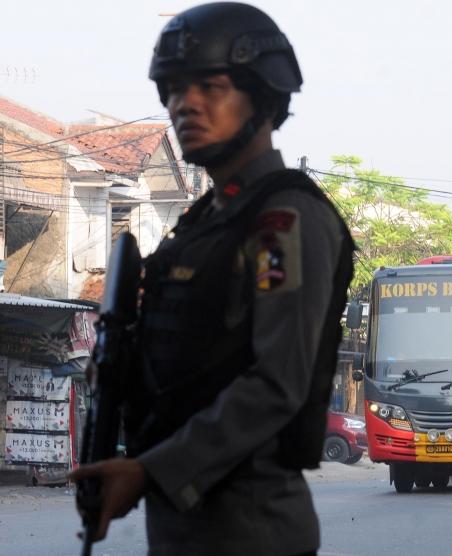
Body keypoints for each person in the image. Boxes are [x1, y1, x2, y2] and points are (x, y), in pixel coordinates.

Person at [69, 3, 354, 555]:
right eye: (173, 89)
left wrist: (150, 471)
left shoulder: (281, 222)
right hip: (185, 527)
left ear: (263, 96)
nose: (184, 104)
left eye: (211, 86)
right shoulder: (206, 221)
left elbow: (277, 383)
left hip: (248, 529)